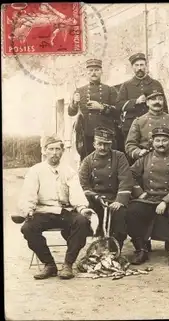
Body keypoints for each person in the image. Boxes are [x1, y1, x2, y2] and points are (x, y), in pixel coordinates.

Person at [15, 135, 95, 280]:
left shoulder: (69, 171)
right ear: (44, 151)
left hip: (65, 211)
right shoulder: (36, 171)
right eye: (51, 149)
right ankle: (49, 264)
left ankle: (68, 264)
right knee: (27, 228)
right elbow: (28, 193)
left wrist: (83, 208)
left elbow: (76, 192)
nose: (54, 153)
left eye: (58, 149)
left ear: (62, 152)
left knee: (82, 222)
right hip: (43, 211)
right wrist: (28, 209)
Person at [127, 127, 169, 266]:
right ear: (152, 142)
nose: (161, 144)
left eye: (164, 140)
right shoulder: (145, 158)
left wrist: (165, 201)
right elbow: (130, 175)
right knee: (132, 210)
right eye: (158, 140)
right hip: (149, 197)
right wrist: (139, 193)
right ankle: (141, 249)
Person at [78, 127, 133, 251]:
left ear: (111, 144)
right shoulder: (87, 161)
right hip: (95, 199)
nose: (103, 148)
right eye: (100, 144)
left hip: (115, 198)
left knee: (120, 218)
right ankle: (98, 249)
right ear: (94, 144)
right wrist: (96, 197)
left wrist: (119, 200)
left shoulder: (119, 157)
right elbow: (83, 185)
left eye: (106, 144)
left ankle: (114, 251)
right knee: (89, 220)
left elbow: (126, 179)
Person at [68, 58, 119, 160]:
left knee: (108, 160)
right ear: (86, 73)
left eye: (96, 70)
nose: (93, 73)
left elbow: (118, 111)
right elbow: (71, 112)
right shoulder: (80, 90)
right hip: (86, 134)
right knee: (87, 161)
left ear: (101, 72)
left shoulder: (110, 90)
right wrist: (74, 102)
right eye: (90, 71)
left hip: (106, 132)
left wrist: (101, 107)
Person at [117, 53, 166, 150]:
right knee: (132, 153)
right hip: (131, 126)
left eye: (142, 65)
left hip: (153, 124)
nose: (139, 68)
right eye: (136, 65)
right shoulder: (126, 85)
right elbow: (118, 105)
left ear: (146, 66)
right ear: (132, 67)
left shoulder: (156, 84)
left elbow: (164, 106)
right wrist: (135, 102)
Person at [125, 89, 169, 162]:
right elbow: (130, 144)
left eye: (160, 99)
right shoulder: (139, 122)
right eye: (153, 99)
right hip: (146, 161)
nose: (157, 102)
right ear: (147, 102)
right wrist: (139, 152)